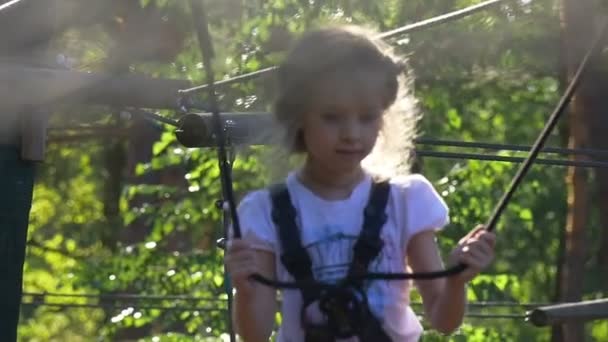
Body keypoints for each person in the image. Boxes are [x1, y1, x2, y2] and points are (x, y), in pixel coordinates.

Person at [225, 25, 496, 342]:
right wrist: (245, 289)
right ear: (299, 116)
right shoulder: (264, 212)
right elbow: (255, 335)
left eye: (367, 117)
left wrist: (456, 281)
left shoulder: (406, 201)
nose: (351, 133)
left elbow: (444, 320)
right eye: (332, 117)